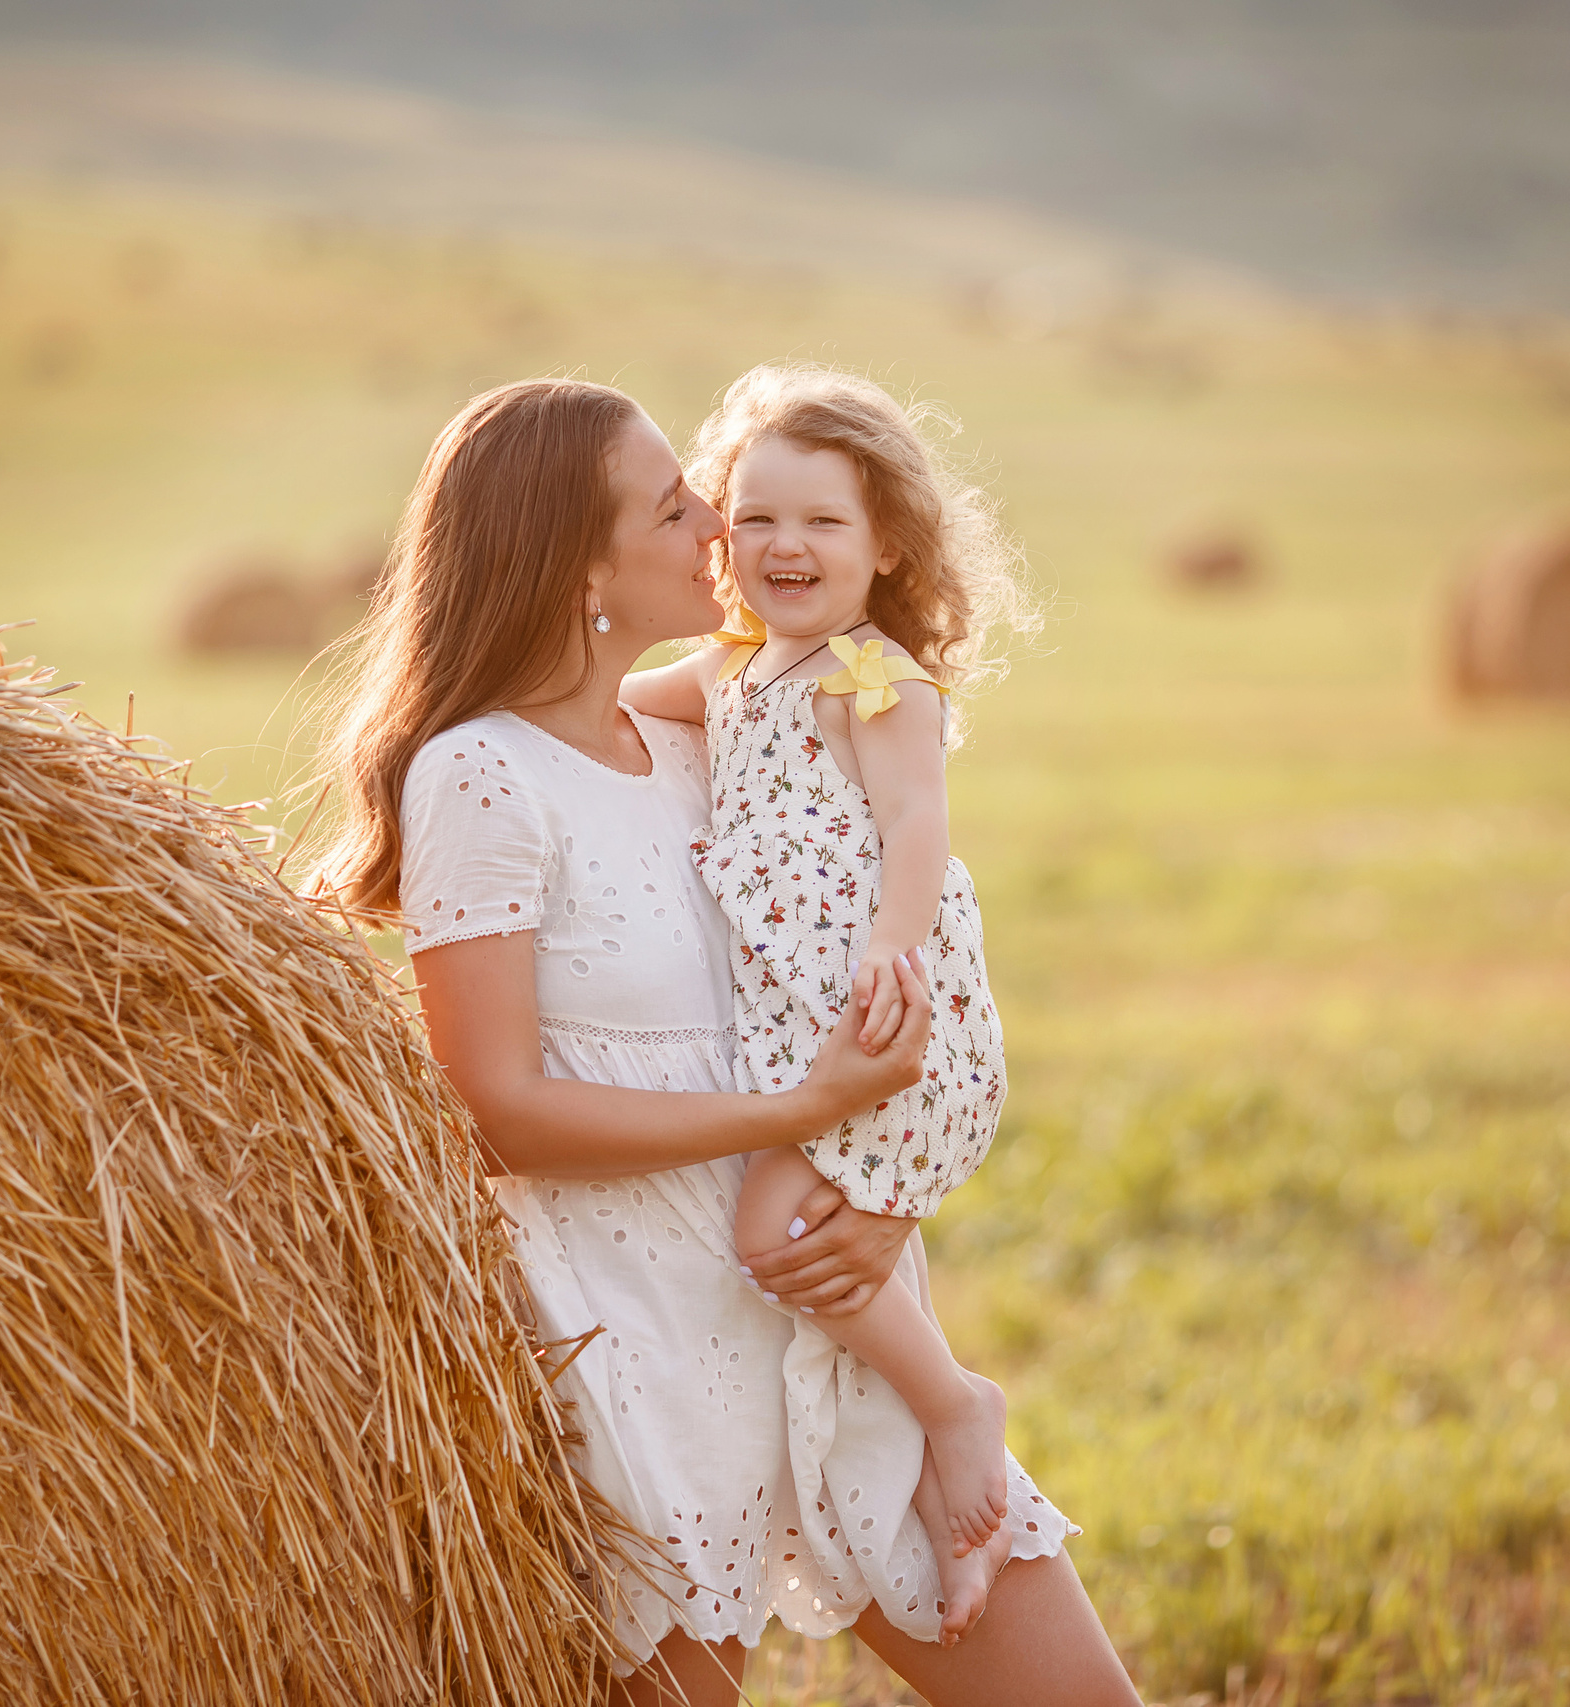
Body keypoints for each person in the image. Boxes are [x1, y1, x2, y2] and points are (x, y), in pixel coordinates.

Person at [317, 377, 1137, 1706]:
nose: (719, 520)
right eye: (676, 501)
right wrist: (793, 1114)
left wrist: (883, 1198)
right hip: (643, 1348)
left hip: (823, 1303)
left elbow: (872, 984)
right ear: (579, 564)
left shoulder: (719, 732)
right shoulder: (482, 772)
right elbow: (501, 1109)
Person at [619, 364, 1030, 1636]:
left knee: (774, 1242)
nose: (784, 546)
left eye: (822, 523)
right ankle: (925, 1471)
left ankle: (958, 1402)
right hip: (792, 1026)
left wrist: (888, 958)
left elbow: (917, 823)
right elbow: (609, 704)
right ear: (721, 535)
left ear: (886, 544)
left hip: (873, 1013)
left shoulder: (874, 678)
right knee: (826, 1246)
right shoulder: (734, 672)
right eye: (754, 519)